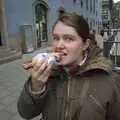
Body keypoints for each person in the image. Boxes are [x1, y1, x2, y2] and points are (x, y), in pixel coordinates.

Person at [17, 12, 120, 120]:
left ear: (85, 44)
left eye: (68, 38)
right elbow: (26, 113)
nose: (59, 45)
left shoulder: (110, 81)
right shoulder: (48, 74)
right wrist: (36, 87)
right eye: (56, 38)